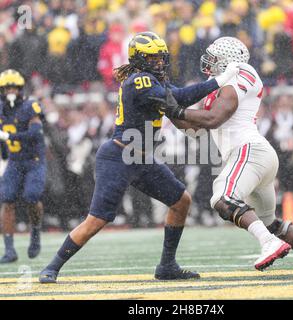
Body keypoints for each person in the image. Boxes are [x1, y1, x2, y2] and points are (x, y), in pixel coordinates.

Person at [39, 31, 239, 283]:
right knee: (97, 220)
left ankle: (167, 265)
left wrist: (216, 82)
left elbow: (178, 96)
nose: (159, 63)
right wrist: (219, 81)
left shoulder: (153, 81)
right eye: (154, 58)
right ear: (140, 59)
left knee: (181, 201)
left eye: (161, 58)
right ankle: (53, 266)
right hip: (118, 156)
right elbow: (180, 99)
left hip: (142, 158)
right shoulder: (139, 81)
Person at [154, 37, 293, 275]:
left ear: (229, 61)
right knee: (270, 222)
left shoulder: (241, 71)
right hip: (254, 155)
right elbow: (195, 128)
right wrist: (168, 109)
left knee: (222, 198)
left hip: (248, 151)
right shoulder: (217, 82)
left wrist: (176, 108)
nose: (209, 61)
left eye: (215, 58)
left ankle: (268, 244)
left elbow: (215, 118)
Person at [0, 69, 46, 263]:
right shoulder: (1, 108)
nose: (11, 91)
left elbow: (35, 133)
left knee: (31, 197)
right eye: (7, 87)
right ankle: (9, 250)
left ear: (20, 88)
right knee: (7, 200)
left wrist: (9, 137)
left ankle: (35, 232)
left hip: (33, 160)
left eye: (14, 87)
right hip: (14, 161)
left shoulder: (30, 105)